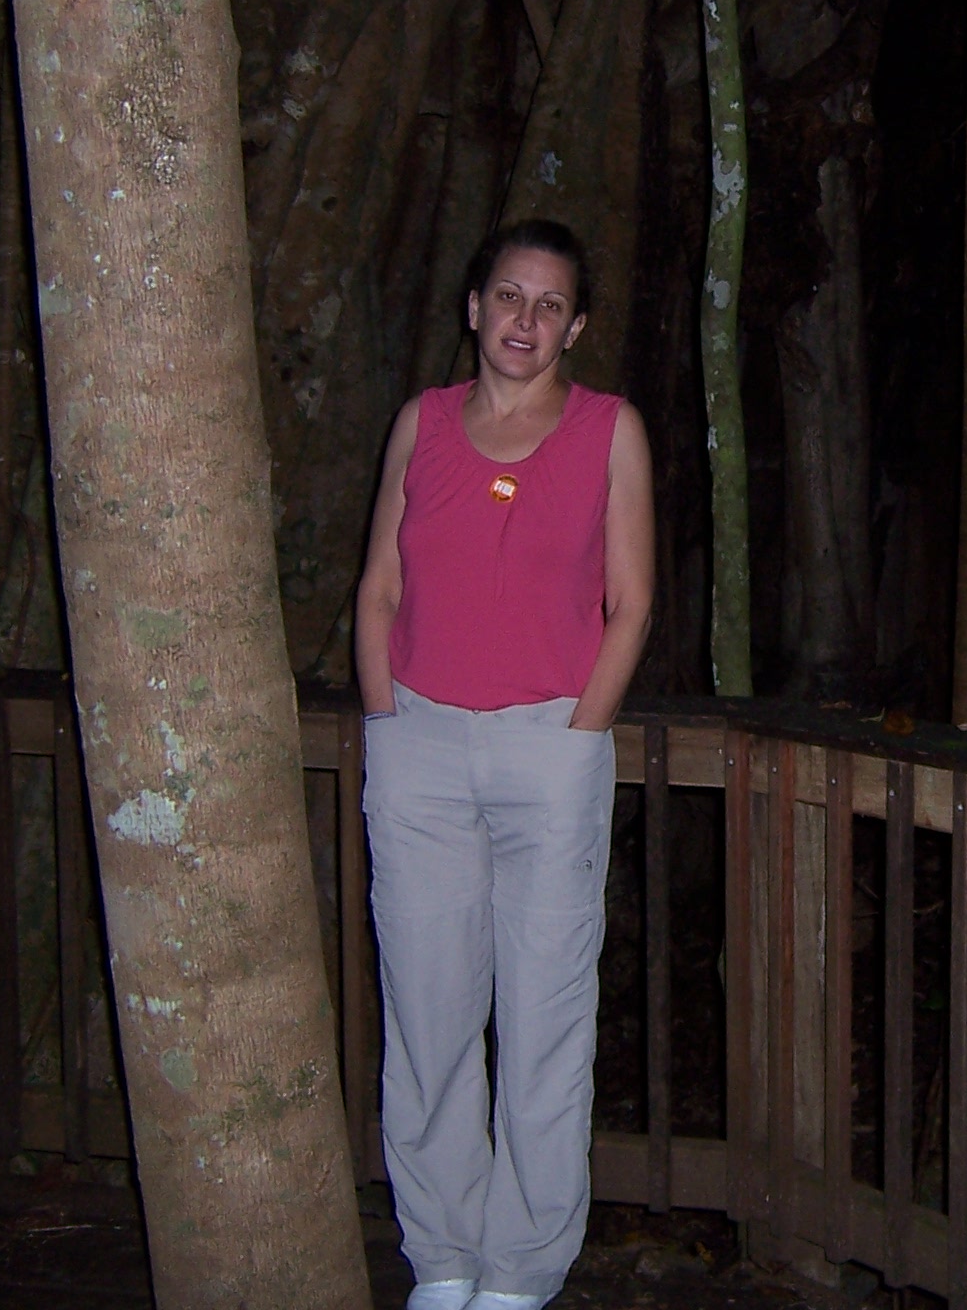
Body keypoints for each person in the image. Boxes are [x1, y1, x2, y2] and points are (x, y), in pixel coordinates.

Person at [354, 219, 654, 1310]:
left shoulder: (609, 432)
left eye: (548, 305)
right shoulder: (421, 425)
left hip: (547, 749)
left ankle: (522, 1269)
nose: (524, 319)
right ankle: (441, 1254)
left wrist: (580, 736)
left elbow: (633, 603)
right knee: (427, 1010)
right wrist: (388, 723)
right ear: (474, 307)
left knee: (543, 1014)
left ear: (573, 327)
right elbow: (381, 586)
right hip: (420, 745)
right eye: (508, 296)